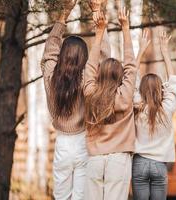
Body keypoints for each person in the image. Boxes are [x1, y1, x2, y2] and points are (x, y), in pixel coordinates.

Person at [41, 0, 109, 198]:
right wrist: (98, 18)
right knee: (81, 196)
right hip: (82, 141)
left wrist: (65, 13)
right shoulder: (85, 78)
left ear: (62, 55)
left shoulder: (50, 75)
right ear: (84, 58)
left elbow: (50, 48)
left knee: (61, 196)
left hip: (62, 144)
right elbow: (104, 59)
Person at [83, 7, 137, 200]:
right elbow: (131, 65)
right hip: (119, 160)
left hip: (95, 160)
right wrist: (125, 28)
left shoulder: (91, 94)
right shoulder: (125, 95)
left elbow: (90, 67)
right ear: (121, 77)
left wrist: (99, 33)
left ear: (99, 74)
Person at [132, 30, 176, 200]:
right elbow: (175, 82)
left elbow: (130, 79)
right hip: (159, 164)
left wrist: (140, 50)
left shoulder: (138, 106)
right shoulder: (167, 108)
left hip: (139, 163)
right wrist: (165, 52)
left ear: (142, 90)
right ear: (161, 89)